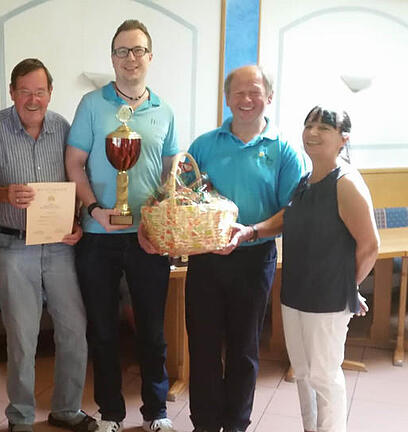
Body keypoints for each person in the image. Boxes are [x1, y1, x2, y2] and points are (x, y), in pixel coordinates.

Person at [140, 65, 305, 432]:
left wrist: (250, 231)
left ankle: (236, 424)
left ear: (269, 97)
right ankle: (205, 423)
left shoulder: (284, 151)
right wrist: (153, 224)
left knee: (245, 350)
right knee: (203, 346)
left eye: (255, 91)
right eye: (238, 92)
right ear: (227, 98)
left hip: (255, 259)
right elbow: (177, 197)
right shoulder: (204, 145)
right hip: (206, 261)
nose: (246, 99)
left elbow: (290, 211)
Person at [65, 19, 178, 432]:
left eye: (137, 50)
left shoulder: (163, 110)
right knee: (104, 330)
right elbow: (74, 163)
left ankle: (156, 411)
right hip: (98, 237)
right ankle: (111, 413)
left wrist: (161, 217)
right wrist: (94, 208)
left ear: (150, 56)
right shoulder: (92, 105)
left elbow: (170, 172)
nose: (130, 58)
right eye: (121, 51)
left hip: (148, 238)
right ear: (112, 58)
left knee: (151, 330)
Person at [0, 58, 96, 432]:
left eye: (40, 91)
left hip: (60, 246)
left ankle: (66, 409)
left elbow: (77, 178)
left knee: (74, 328)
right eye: (25, 91)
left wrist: (77, 220)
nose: (33, 99)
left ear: (49, 93)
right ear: (12, 92)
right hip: (13, 247)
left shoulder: (63, 127)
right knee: (23, 335)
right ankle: (21, 417)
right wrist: (4, 193)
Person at [245, 106, 378, 432]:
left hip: (327, 300)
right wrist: (251, 231)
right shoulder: (306, 180)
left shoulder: (345, 183)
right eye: (309, 126)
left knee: (324, 375)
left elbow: (370, 245)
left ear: (342, 139)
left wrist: (349, 287)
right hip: (295, 294)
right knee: (303, 372)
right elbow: (286, 217)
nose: (313, 133)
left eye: (324, 128)